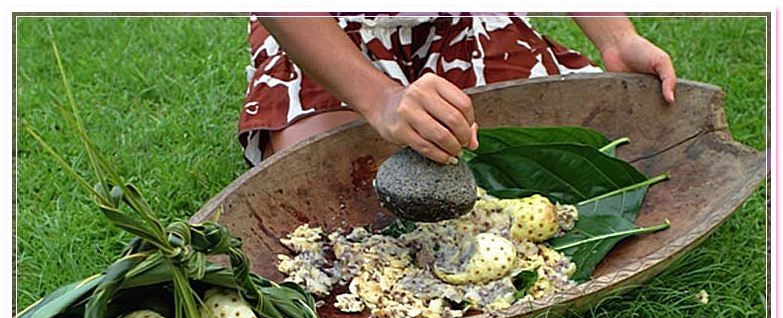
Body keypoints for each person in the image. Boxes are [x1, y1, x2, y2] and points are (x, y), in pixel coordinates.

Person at [239, 14, 676, 166]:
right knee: (341, 196)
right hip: (328, 28)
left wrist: (616, 38)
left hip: (461, 20)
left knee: (557, 156)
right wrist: (380, 100)